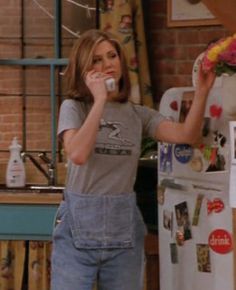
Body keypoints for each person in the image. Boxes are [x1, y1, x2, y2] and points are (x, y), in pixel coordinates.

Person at [51, 29, 215, 290]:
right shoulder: (74, 107)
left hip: (124, 231)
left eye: (112, 56)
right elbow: (78, 154)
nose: (107, 64)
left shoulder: (138, 115)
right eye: (96, 60)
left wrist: (203, 92)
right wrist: (100, 101)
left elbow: (186, 135)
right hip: (76, 234)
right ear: (84, 68)